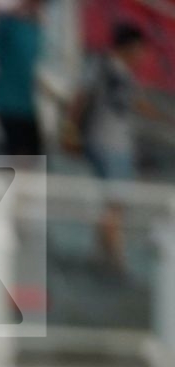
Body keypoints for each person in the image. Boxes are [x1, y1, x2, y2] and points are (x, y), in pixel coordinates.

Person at [68, 24, 155, 269]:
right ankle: (118, 261)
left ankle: (98, 255)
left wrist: (165, 117)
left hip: (118, 143)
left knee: (113, 201)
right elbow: (80, 98)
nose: (143, 56)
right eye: (141, 50)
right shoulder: (100, 66)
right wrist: (70, 132)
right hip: (106, 143)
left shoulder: (123, 72)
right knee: (116, 202)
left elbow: (134, 103)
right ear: (132, 46)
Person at [0, 0, 44, 159]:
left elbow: (29, 68)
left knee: (33, 153)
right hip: (7, 101)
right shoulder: (7, 25)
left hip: (26, 102)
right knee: (15, 152)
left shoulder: (35, 29)